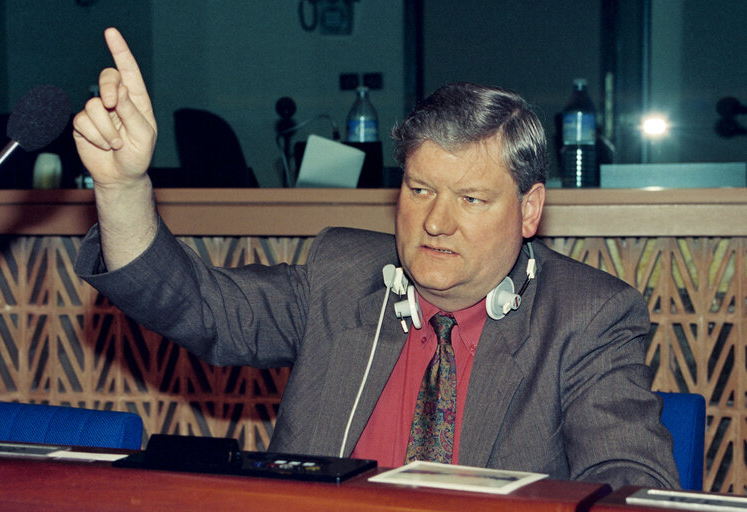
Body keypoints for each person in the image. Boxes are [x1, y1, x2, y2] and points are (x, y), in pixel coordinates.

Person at [73, 27, 679, 489]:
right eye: (419, 191)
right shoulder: (342, 278)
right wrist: (123, 189)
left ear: (528, 210)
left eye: (471, 198)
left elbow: (630, 483)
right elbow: (195, 306)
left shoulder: (587, 316)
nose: (436, 222)